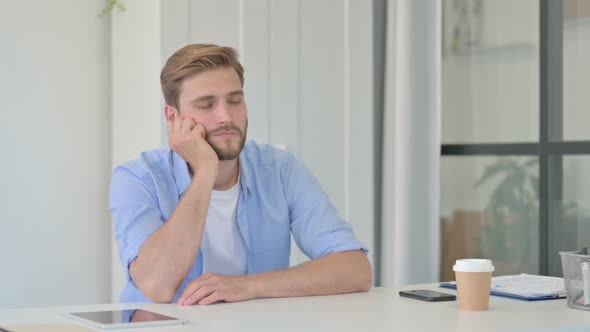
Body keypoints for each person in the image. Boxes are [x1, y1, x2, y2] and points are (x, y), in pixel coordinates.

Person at [110, 44, 372, 306]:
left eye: (235, 100)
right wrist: (205, 172)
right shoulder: (136, 179)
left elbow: (355, 270)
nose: (225, 116)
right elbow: (158, 286)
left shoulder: (279, 169)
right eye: (206, 104)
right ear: (173, 116)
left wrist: (246, 286)